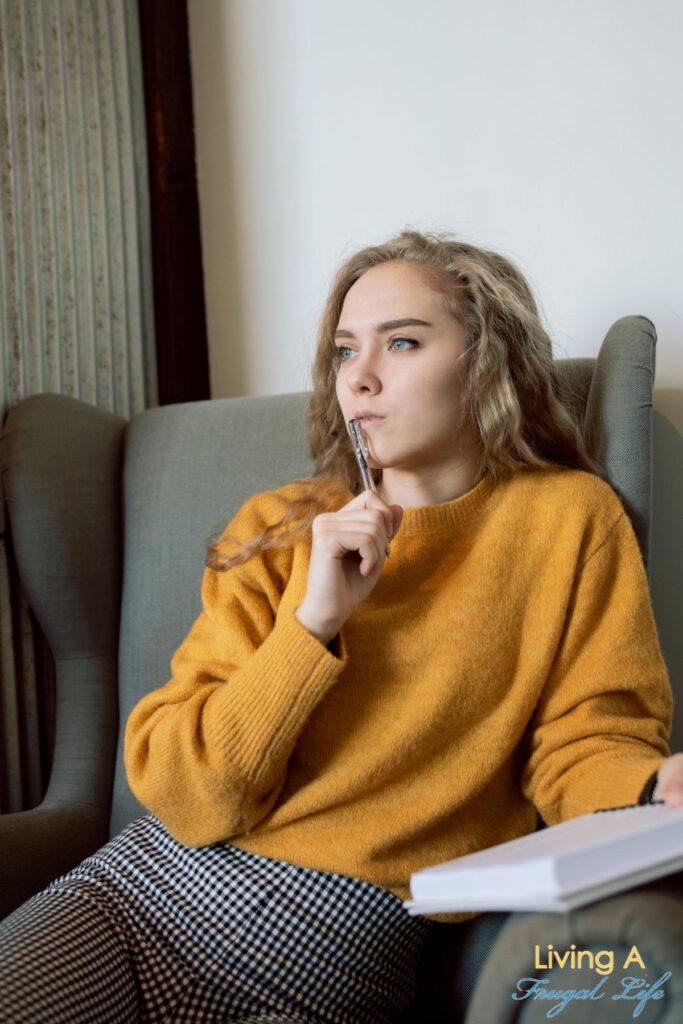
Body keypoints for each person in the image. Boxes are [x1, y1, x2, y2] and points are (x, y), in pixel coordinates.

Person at [1, 229, 681, 1023]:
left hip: (334, 952)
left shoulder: (567, 519)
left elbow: (585, 735)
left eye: (401, 342)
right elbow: (186, 796)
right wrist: (312, 623)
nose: (359, 378)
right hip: (138, 897)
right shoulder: (278, 526)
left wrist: (645, 788)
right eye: (343, 351)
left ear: (487, 358)